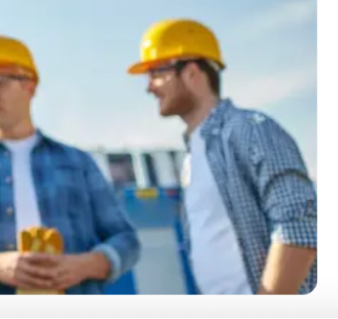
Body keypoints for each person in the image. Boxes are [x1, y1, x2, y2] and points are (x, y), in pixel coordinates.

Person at [0, 36, 142, 294]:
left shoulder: (78, 164)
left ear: (30, 85)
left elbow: (126, 240)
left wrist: (84, 266)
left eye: (0, 82)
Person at [129, 19, 317, 295]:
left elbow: (299, 222)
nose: (150, 87)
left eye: (156, 72)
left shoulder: (250, 129)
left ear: (192, 72)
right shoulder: (192, 158)